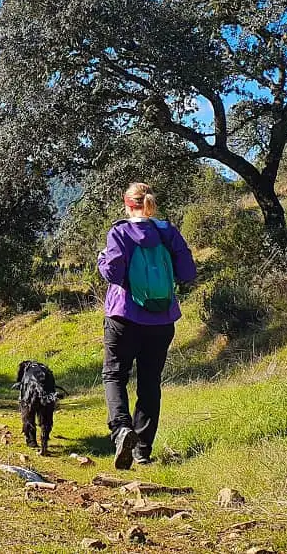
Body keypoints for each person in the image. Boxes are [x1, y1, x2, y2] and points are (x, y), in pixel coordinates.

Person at [97, 182, 196, 469]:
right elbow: (188, 272)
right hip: (161, 320)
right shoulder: (167, 232)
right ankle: (142, 451)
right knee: (149, 383)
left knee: (114, 375)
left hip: (123, 317)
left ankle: (121, 430)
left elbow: (113, 274)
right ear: (151, 203)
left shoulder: (119, 232)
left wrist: (103, 259)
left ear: (127, 204)